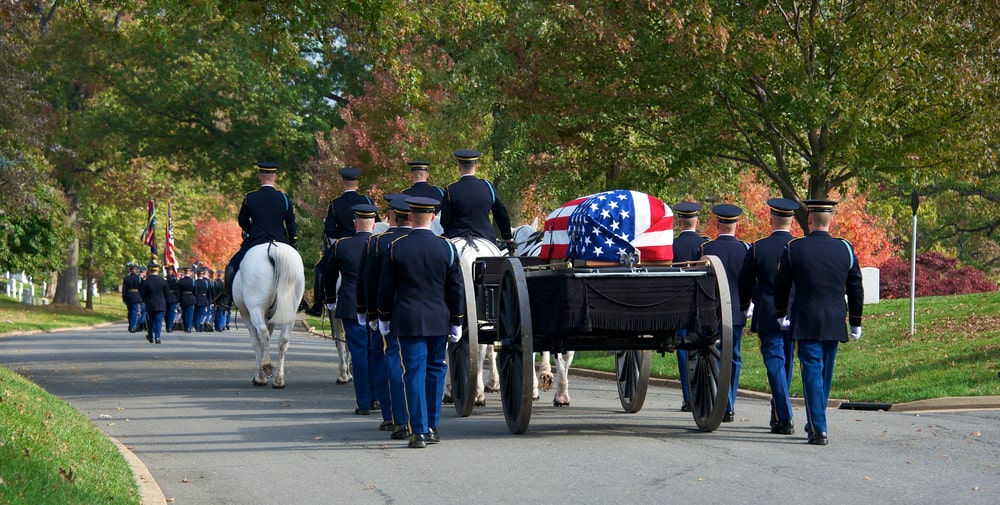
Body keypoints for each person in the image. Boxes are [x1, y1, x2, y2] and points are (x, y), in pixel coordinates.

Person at [773, 199, 863, 446]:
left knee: (813, 373)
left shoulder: (795, 248)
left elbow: (781, 284)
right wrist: (856, 321)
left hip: (806, 319)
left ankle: (818, 428)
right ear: (830, 219)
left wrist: (781, 313)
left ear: (809, 220)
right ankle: (817, 419)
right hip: (834, 320)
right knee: (823, 374)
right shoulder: (845, 248)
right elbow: (855, 286)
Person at [377, 196, 465, 449]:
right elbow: (455, 288)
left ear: (411, 217)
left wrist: (384, 317)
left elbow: (386, 288)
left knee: (413, 372)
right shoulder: (446, 247)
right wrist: (457, 321)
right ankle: (432, 427)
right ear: (434, 218)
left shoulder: (396, 247)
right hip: (439, 319)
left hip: (407, 319)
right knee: (436, 370)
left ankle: (418, 432)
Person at [739, 198, 799, 435]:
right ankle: (779, 415)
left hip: (768, 312)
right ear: (792, 220)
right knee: (785, 363)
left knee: (775, 362)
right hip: (794, 312)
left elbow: (745, 281)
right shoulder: (798, 246)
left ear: (771, 218)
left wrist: (746, 305)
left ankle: (783, 414)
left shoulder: (758, 247)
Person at [359, 195, 412, 438]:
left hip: (387, 312)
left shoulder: (377, 243)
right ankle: (418, 419)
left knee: (387, 363)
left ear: (390, 216)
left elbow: (367, 283)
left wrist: (368, 312)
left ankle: (392, 416)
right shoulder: (433, 242)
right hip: (423, 315)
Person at [215, 161, 298, 311]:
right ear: (275, 177)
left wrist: (251, 230)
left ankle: (226, 298)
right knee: (296, 268)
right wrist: (293, 242)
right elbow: (291, 222)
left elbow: (242, 220)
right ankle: (300, 299)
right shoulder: (284, 198)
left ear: (259, 176)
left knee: (231, 267)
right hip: (280, 241)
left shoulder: (250, 197)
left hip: (255, 241)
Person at [325, 203, 378, 415]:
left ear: (355, 224)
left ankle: (364, 402)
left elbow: (329, 276)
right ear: (374, 225)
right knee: (377, 354)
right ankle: (378, 398)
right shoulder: (381, 244)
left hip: (351, 307)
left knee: (358, 355)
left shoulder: (341, 245)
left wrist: (330, 299)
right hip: (377, 308)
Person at [700, 203, 751, 422]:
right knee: (735, 355)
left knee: (718, 355)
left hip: (714, 310)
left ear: (718, 223)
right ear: (737, 224)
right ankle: (729, 402)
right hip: (737, 310)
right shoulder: (747, 249)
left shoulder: (706, 249)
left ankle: (725, 403)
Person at [307, 167, 377, 316]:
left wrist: (343, 234)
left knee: (320, 269)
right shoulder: (366, 200)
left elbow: (330, 231)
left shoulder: (335, 203)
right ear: (357, 183)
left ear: (343, 182)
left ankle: (318, 306)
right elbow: (376, 223)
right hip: (368, 243)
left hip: (344, 245)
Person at [671, 201, 710, 412]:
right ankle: (703, 395)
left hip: (677, 306)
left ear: (679, 223)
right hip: (701, 306)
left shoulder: (671, 245)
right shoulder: (705, 245)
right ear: (697, 221)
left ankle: (688, 397)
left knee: (683, 350)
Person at [440, 149, 514, 248]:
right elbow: (501, 213)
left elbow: (445, 221)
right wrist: (508, 237)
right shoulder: (488, 186)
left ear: (459, 168)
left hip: (456, 235)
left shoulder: (450, 189)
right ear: (476, 166)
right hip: (486, 237)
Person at [139, 263, 169, 344]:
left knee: (150, 320)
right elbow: (167, 293)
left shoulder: (146, 282)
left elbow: (142, 294)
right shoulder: (163, 281)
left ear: (149, 270)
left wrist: (144, 301)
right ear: (157, 270)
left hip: (150, 304)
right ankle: (158, 337)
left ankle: (151, 336)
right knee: (158, 321)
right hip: (161, 304)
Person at [122, 263, 143, 333]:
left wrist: (124, 298)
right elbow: (141, 288)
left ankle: (131, 325)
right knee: (134, 311)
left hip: (128, 296)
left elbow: (124, 289)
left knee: (130, 311)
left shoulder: (126, 278)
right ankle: (132, 326)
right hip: (136, 296)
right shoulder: (139, 278)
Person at [177, 266, 197, 333]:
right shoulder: (193, 281)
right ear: (190, 272)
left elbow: (178, 291)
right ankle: (188, 327)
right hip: (191, 298)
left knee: (184, 313)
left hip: (183, 298)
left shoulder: (181, 281)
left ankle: (185, 326)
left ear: (184, 272)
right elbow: (195, 291)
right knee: (190, 314)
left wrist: (179, 299)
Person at [194, 267, 212, 332]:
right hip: (204, 299)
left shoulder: (195, 282)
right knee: (202, 313)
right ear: (202, 274)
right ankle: (200, 324)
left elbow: (194, 292)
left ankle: (196, 326)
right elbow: (208, 292)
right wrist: (209, 300)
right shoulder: (206, 282)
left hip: (196, 299)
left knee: (196, 313)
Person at [164, 265, 180, 333]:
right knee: (169, 313)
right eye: (168, 270)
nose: (169, 271)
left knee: (169, 312)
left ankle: (169, 326)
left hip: (168, 297)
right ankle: (169, 326)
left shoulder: (172, 279)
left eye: (170, 270)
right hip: (170, 297)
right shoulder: (174, 279)